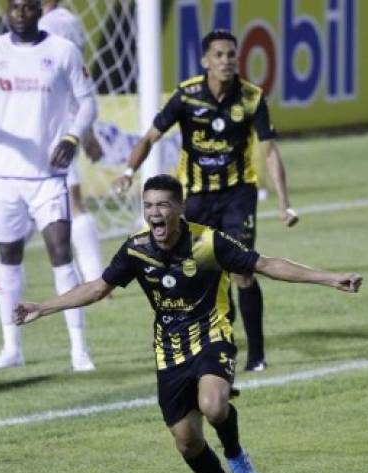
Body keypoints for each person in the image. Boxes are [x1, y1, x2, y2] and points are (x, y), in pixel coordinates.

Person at [14, 174, 363, 473]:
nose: (155, 213)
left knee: (213, 405)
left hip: (213, 334)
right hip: (169, 352)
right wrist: (43, 307)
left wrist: (330, 278)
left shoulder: (209, 242)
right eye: (148, 206)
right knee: (187, 442)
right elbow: (97, 288)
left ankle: (235, 453)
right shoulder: (136, 250)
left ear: (180, 208)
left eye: (163, 205)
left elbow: (266, 265)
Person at [113, 29, 298, 372]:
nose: (226, 61)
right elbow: (151, 136)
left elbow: (269, 151)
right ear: (205, 61)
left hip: (237, 196)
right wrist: (128, 170)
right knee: (199, 272)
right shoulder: (187, 96)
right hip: (195, 198)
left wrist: (283, 202)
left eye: (231, 54)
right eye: (219, 55)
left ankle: (256, 356)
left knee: (243, 271)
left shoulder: (251, 97)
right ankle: (211, 345)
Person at [0, 0, 98, 371]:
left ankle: (79, 350)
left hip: (48, 176)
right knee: (8, 261)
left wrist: (72, 137)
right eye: (14, 7)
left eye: (27, 7)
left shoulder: (62, 51)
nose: (20, 13)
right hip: (3, 178)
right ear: (7, 11)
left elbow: (87, 104)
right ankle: (11, 347)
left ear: (39, 11)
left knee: (60, 255)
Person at [0, 0, 107, 293]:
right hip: (59, 130)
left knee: (70, 202)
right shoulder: (68, 19)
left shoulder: (51, 27)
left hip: (51, 134)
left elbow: (72, 84)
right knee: (43, 206)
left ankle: (95, 280)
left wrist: (83, 134)